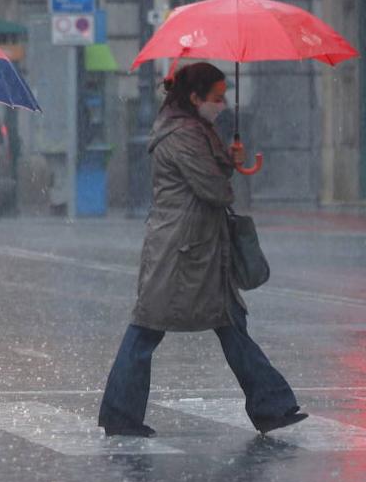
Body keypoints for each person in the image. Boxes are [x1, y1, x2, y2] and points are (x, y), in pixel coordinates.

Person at [98, 62, 307, 437]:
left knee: (230, 325)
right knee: (147, 328)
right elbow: (214, 189)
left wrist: (229, 159)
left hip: (200, 250)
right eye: (217, 98)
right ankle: (119, 415)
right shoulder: (182, 134)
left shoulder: (194, 129)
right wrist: (226, 168)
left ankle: (272, 405)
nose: (223, 105)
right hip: (180, 251)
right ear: (194, 98)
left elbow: (213, 175)